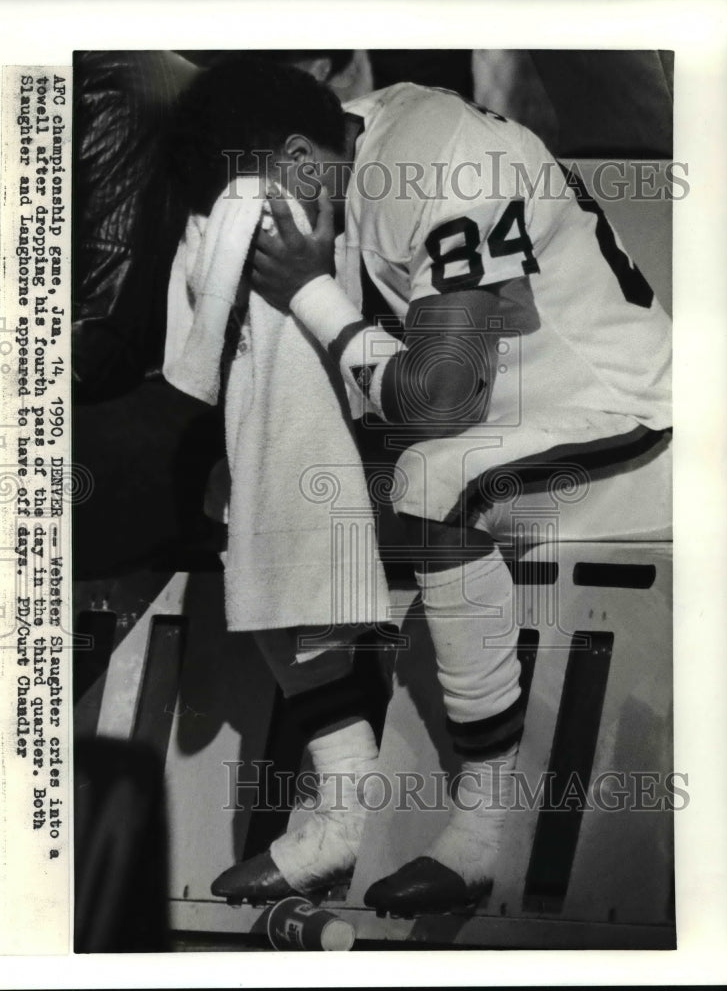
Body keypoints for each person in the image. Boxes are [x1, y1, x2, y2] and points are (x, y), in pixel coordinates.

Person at [169, 59, 672, 916]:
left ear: (296, 158)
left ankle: (486, 825)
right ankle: (344, 802)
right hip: (487, 419)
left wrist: (312, 289)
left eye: (248, 202)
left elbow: (444, 397)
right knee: (245, 492)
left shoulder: (446, 160)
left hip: (602, 401)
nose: (242, 226)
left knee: (432, 477)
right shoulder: (324, 148)